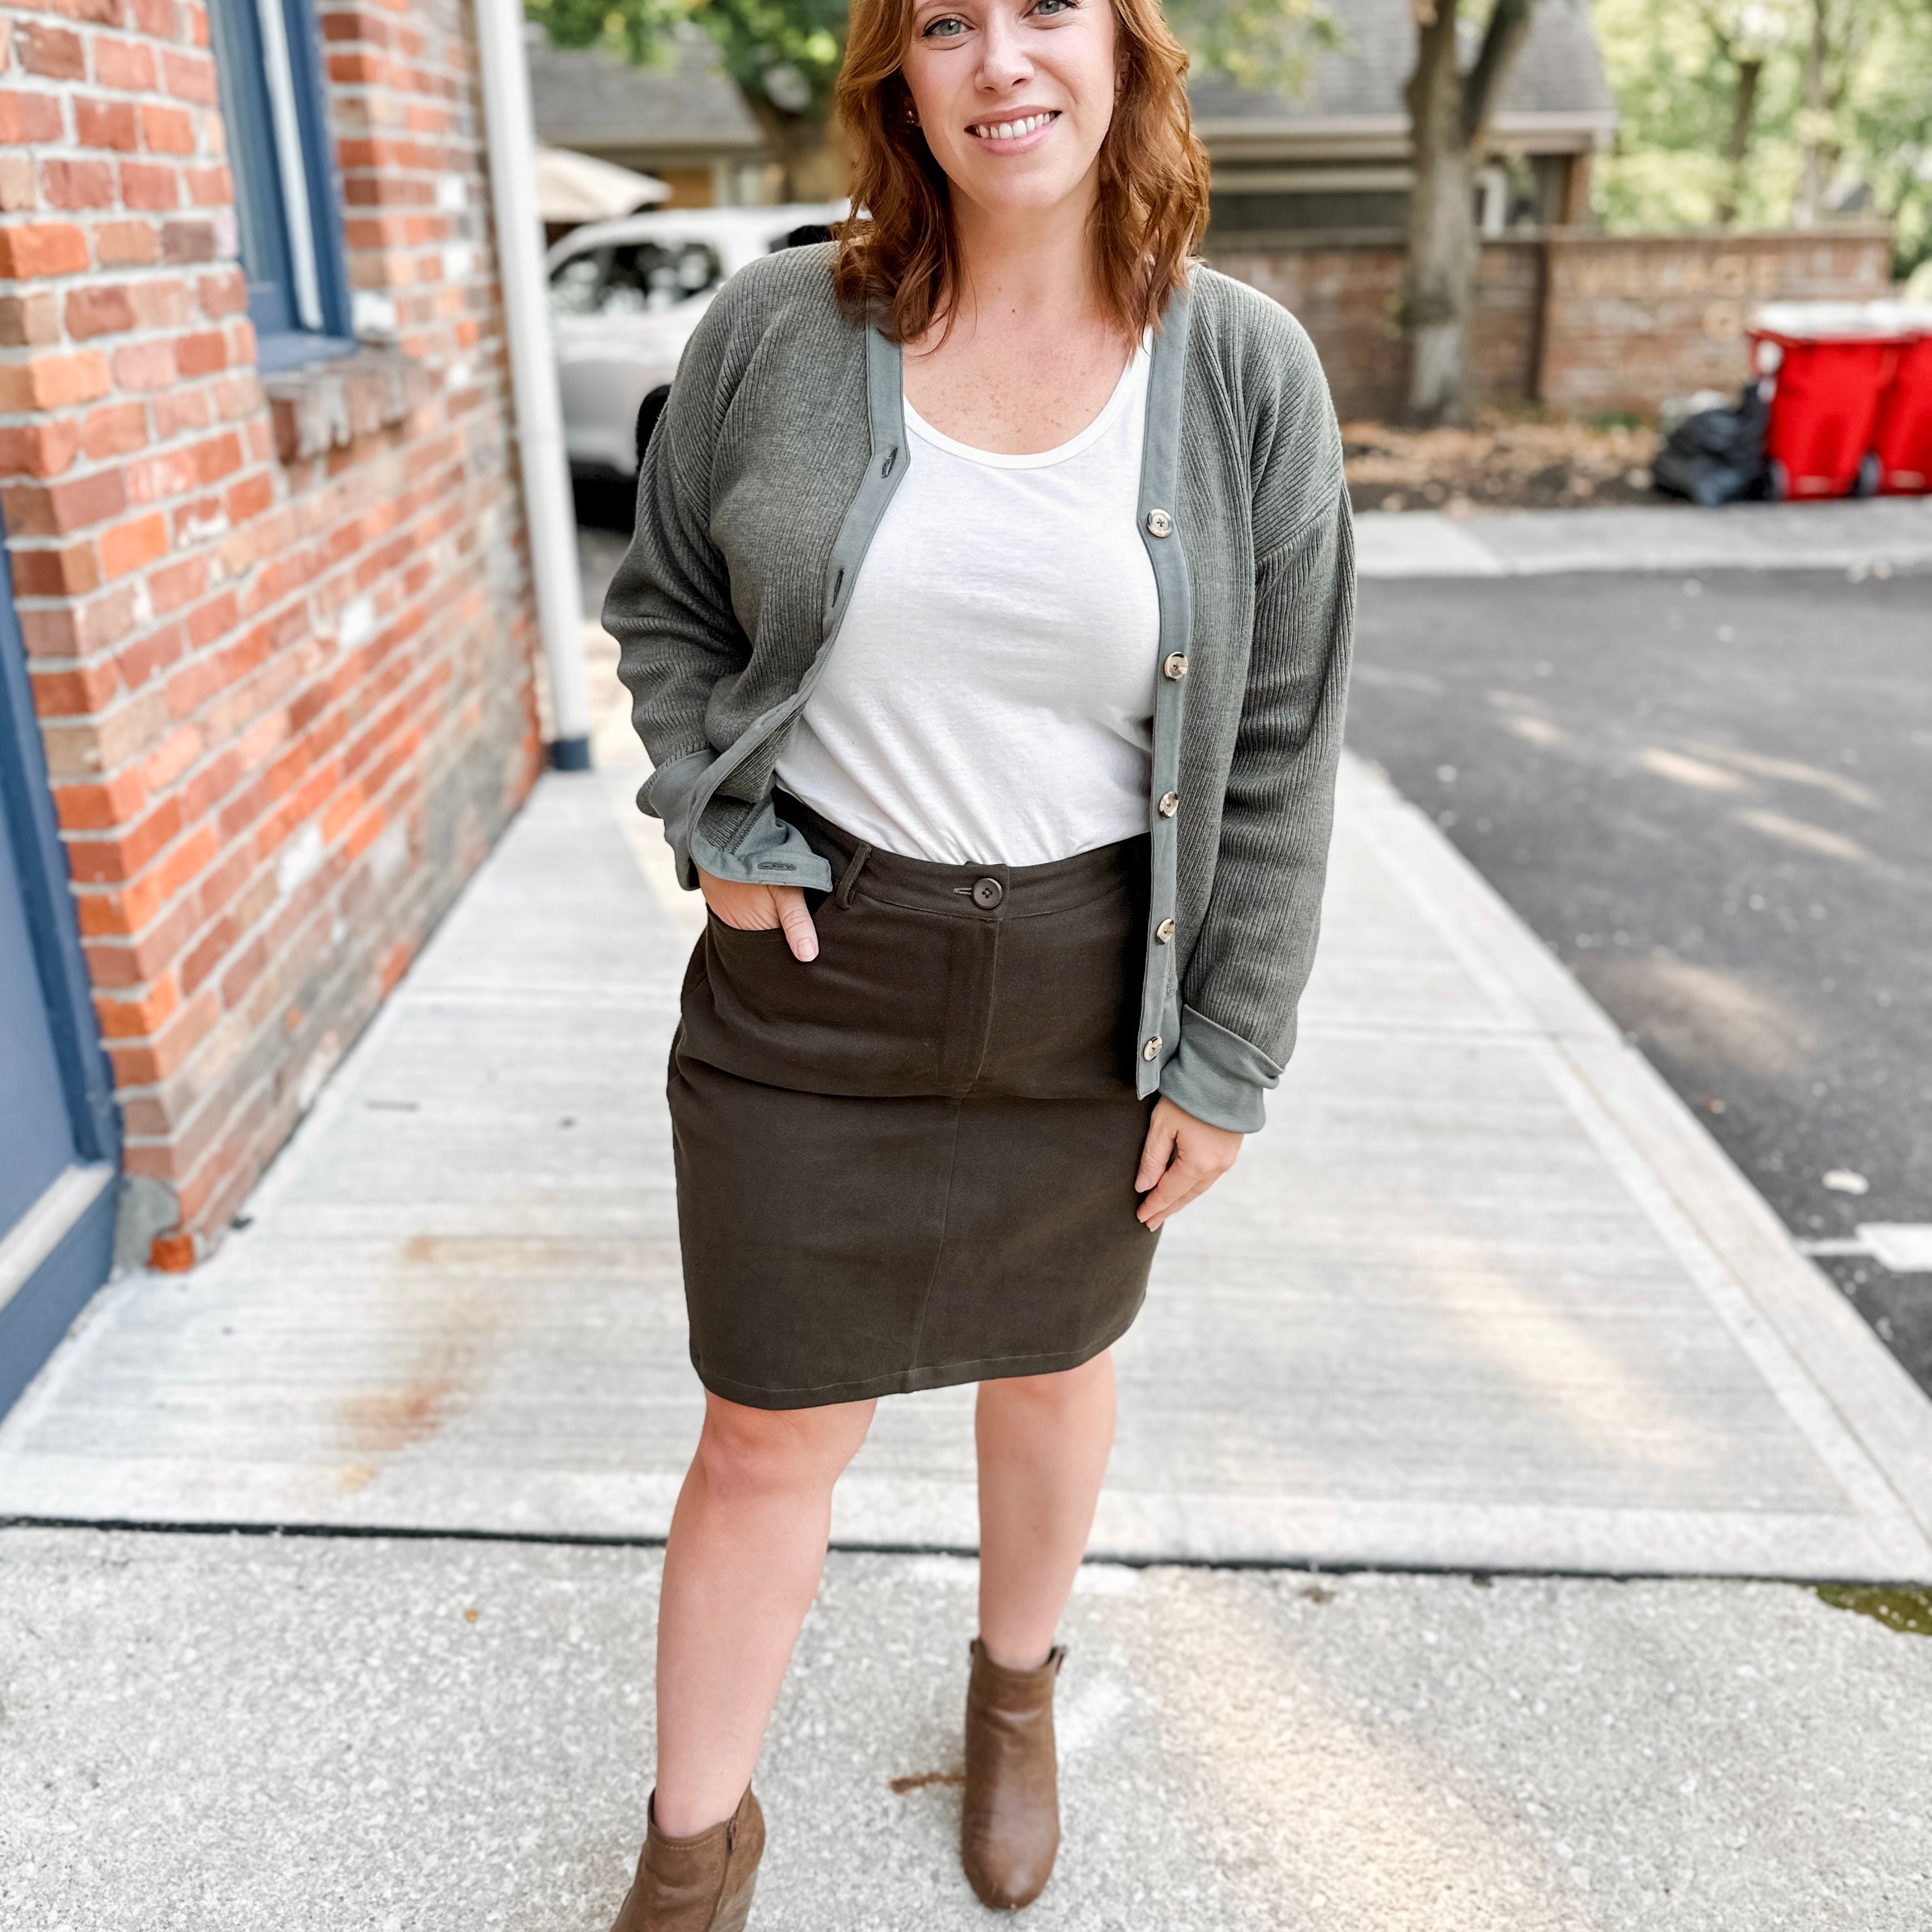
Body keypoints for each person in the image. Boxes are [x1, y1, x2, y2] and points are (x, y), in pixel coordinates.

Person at [598, 0, 1354, 1916]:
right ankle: (695, 1838)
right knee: (767, 1420)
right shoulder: (778, 330)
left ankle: (1011, 1695)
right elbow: (668, 599)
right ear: (894, 75)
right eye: (946, 19)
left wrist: (1227, 1047)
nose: (1000, 58)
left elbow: (1276, 740)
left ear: (1125, 51)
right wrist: (712, 814)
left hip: (1100, 975)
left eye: (1046, 11)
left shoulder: (1244, 367)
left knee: (1055, 1358)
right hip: (815, 979)